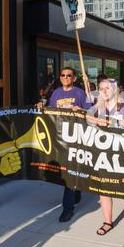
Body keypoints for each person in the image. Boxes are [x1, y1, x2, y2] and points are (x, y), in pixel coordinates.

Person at [38, 67, 90, 222]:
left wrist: (81, 110)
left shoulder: (80, 93)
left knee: (70, 171)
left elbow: (91, 113)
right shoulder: (56, 93)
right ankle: (77, 189)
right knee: (68, 170)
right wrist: (42, 107)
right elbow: (50, 112)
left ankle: (67, 208)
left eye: (69, 75)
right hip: (61, 137)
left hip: (77, 136)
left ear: (74, 78)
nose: (66, 77)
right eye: (63, 75)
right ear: (60, 78)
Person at [89, 78, 124, 235]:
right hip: (103, 153)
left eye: (107, 88)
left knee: (122, 187)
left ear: (115, 90)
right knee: (104, 188)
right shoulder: (97, 107)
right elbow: (87, 120)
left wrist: (118, 122)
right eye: (101, 88)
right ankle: (107, 222)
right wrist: (94, 119)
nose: (103, 91)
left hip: (121, 152)